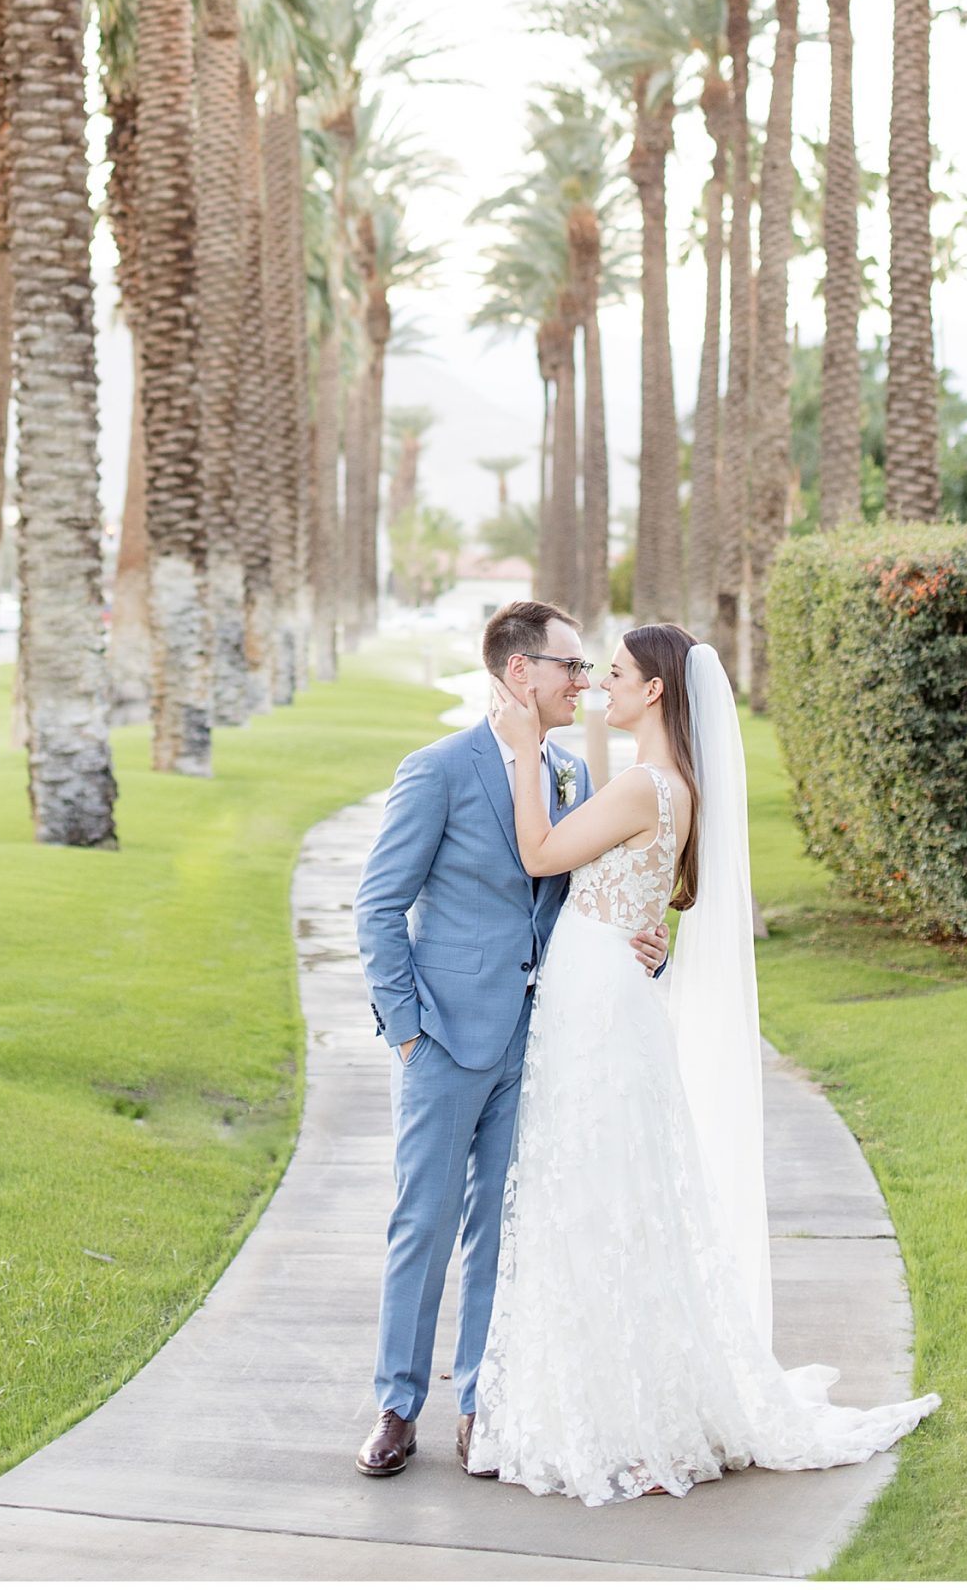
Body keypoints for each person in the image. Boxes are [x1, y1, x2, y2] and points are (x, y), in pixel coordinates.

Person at [467, 621, 941, 1502]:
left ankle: (627, 1417)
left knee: (599, 1196)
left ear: (654, 692)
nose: (600, 686)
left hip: (598, 1000)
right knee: (613, 1194)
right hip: (612, 983)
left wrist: (525, 750)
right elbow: (640, 888)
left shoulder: (646, 786)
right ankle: (613, 1400)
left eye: (614, 676)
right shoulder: (672, 783)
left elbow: (540, 853)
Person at [352, 600, 669, 1479]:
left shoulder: (568, 774)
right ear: (518, 672)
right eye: (570, 666)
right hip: (447, 1042)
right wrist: (409, 1032)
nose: (584, 682)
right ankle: (396, 1404)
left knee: (502, 1225)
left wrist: (643, 937)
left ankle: (482, 1404)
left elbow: (589, 896)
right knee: (424, 1222)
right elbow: (378, 906)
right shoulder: (437, 771)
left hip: (543, 1041)